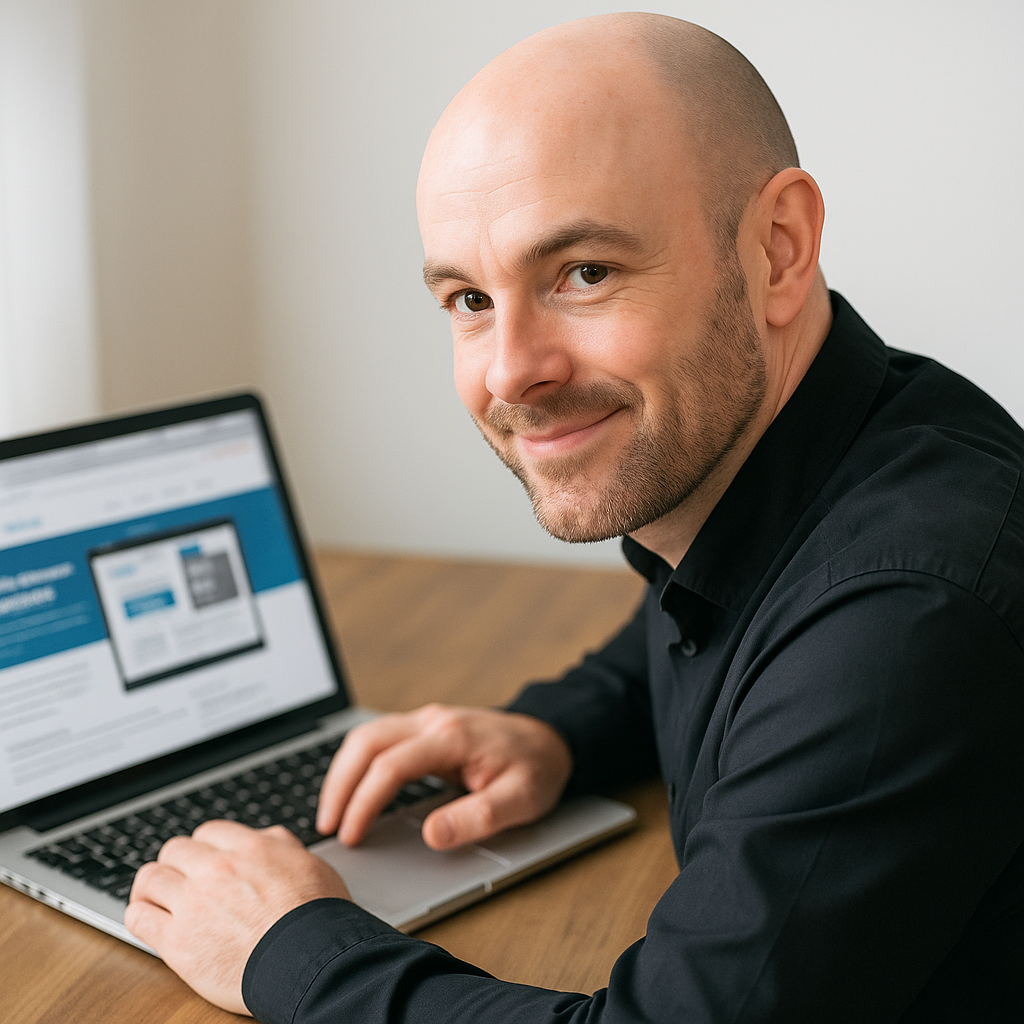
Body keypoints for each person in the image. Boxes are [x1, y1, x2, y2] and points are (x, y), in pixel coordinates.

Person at [124, 12, 1024, 1022]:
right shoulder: (833, 454)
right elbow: (713, 621)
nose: (511, 368)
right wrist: (551, 733)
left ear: (777, 249)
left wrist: (288, 948)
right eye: (467, 298)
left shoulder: (904, 611)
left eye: (583, 273)